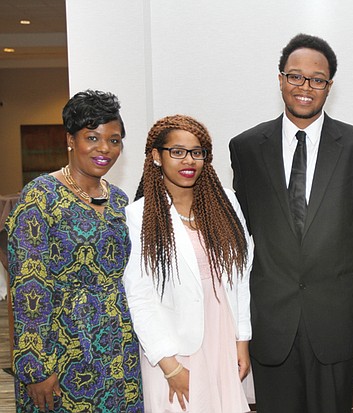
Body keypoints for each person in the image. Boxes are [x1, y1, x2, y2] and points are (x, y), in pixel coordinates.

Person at [229, 33, 353, 413]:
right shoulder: (245, 148)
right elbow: (241, 237)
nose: (305, 87)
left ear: (329, 86)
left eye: (317, 79)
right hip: (272, 320)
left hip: (337, 319)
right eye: (295, 76)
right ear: (280, 79)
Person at [6, 90, 143, 412]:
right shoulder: (40, 198)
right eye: (92, 138)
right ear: (70, 139)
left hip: (122, 347)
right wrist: (35, 367)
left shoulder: (121, 201)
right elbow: (29, 287)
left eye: (114, 140)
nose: (104, 149)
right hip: (63, 348)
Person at [124, 115, 253, 413]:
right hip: (174, 346)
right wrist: (170, 367)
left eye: (197, 152)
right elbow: (139, 297)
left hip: (222, 336)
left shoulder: (227, 203)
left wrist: (242, 339)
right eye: (177, 151)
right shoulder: (138, 216)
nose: (189, 160)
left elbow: (241, 275)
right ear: (156, 156)